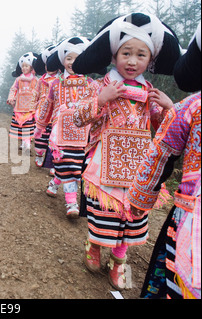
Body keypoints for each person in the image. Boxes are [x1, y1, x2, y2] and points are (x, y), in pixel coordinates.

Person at [72, 13, 182, 290]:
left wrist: (169, 108)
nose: (132, 61)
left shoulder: (149, 92)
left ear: (151, 60)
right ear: (113, 56)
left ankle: (119, 261)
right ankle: (94, 246)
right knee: (104, 212)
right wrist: (100, 100)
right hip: (104, 162)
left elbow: (160, 126)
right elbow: (77, 119)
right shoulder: (102, 86)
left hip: (136, 165)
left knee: (132, 214)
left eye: (141, 55)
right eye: (126, 53)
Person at [128, 22, 201, 299]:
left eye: (140, 55)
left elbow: (161, 155)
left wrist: (140, 199)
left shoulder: (192, 107)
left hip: (192, 218)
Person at [35, 37, 94, 219]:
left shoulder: (91, 84)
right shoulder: (56, 84)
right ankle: (71, 202)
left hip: (84, 135)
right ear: (62, 60)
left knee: (75, 166)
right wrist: (40, 126)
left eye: (78, 58)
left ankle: (55, 182)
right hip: (59, 134)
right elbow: (47, 106)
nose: (72, 62)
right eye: (69, 58)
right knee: (68, 165)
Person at [32, 45, 59, 168]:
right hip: (42, 112)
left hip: (55, 113)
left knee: (53, 137)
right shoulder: (40, 80)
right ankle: (39, 153)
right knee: (40, 136)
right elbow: (35, 94)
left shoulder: (60, 80)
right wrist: (32, 107)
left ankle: (53, 163)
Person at [7, 52, 39, 153]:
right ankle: (24, 142)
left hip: (30, 107)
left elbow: (39, 91)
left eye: (26, 66)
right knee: (21, 125)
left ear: (31, 67)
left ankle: (27, 144)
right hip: (19, 106)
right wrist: (11, 98)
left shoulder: (35, 80)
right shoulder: (18, 79)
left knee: (28, 125)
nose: (24, 68)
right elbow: (13, 89)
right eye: (23, 66)